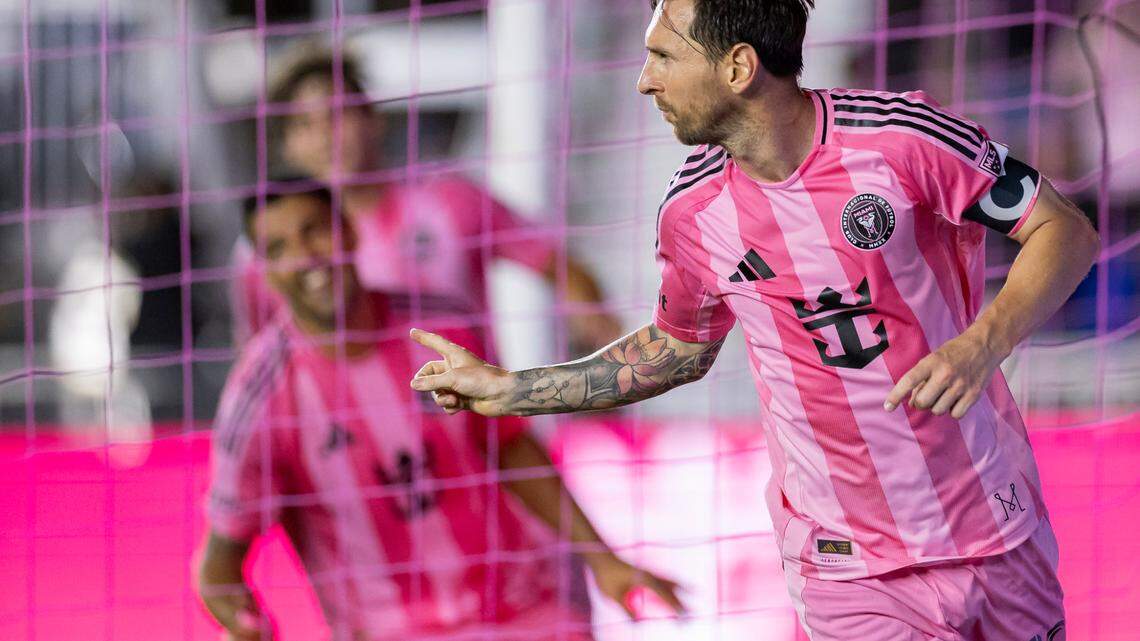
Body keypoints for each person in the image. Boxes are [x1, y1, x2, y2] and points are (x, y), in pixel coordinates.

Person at [407, 1, 1101, 640]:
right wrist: (512, 388)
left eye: (663, 57)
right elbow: (677, 349)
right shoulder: (692, 212)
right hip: (847, 566)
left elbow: (1064, 229)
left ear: (738, 67)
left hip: (993, 520)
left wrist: (982, 343)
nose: (645, 82)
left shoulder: (902, 139)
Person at [199, 185, 683, 641]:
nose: (306, 256)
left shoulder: (441, 325)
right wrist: (246, 624)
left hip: (528, 609)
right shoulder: (258, 398)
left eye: (314, 230)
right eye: (279, 248)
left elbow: (511, 447)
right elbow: (217, 572)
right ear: (264, 271)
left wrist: (602, 559)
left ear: (347, 229)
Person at [232, 47, 621, 354]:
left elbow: (560, 266)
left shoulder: (449, 200)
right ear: (286, 146)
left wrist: (591, 323)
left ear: (373, 119)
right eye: (304, 124)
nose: (325, 136)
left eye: (338, 114)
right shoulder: (264, 254)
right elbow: (257, 357)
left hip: (471, 420)